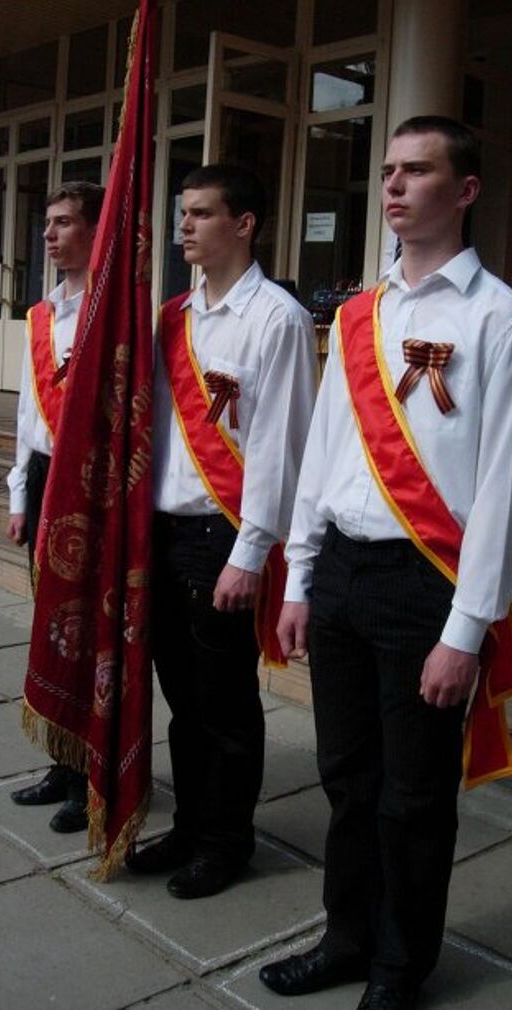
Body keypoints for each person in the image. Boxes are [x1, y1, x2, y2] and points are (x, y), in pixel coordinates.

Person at [258, 117, 512, 1010]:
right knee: (348, 781)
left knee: (414, 799)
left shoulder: (503, 322)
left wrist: (467, 633)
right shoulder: (355, 315)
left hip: (428, 585)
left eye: (416, 171)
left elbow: (503, 493)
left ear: (463, 192)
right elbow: (325, 460)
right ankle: (347, 938)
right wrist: (303, 576)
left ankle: (400, 967)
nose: (392, 186)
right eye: (387, 171)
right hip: (342, 570)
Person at [124, 163, 318, 898]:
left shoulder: (278, 318)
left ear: (245, 224)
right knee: (179, 694)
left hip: (222, 539)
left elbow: (278, 446)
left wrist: (251, 553)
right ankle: (190, 824)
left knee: (225, 701)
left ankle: (227, 841)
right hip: (164, 532)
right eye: (183, 215)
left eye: (201, 214)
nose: (185, 228)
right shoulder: (172, 317)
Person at [7, 180, 104, 833]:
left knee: (90, 632)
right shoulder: (42, 316)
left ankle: (94, 774)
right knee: (52, 627)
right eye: (48, 222)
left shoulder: (113, 311)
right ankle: (61, 762)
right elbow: (25, 413)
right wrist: (19, 491)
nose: (50, 234)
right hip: (46, 478)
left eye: (65, 222)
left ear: (95, 230)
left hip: (92, 484)